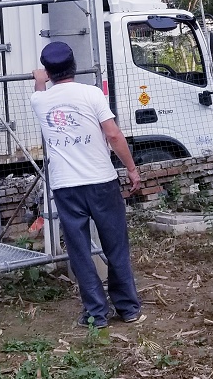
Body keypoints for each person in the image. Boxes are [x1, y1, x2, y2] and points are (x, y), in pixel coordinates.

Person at [30, 41, 144, 328]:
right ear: (74, 66)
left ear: (48, 72)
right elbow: (113, 134)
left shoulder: (40, 101)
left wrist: (39, 80)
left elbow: (39, 91)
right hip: (101, 181)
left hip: (66, 187)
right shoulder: (92, 94)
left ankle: (96, 313)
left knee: (79, 251)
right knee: (116, 246)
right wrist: (132, 169)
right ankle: (128, 308)